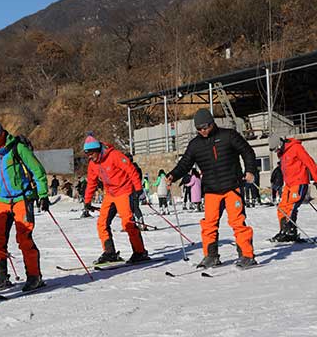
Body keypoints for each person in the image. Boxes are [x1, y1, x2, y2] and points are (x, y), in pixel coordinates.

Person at [166, 108, 257, 268]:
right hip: (211, 190)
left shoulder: (228, 135)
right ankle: (211, 255)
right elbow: (185, 163)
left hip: (232, 187)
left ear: (212, 123)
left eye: (205, 127)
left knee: (237, 222)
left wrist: (249, 170)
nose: (203, 131)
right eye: (199, 129)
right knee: (209, 224)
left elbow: (247, 151)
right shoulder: (195, 145)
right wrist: (173, 175)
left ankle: (247, 255)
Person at [0, 121, 49, 292]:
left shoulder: (18, 148)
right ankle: (0, 276)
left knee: (24, 239)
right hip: (2, 201)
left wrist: (42, 195)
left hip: (22, 199)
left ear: (3, 135)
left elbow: (38, 170)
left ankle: (34, 276)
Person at [83, 133, 149, 264]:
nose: (90, 157)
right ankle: (109, 252)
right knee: (102, 223)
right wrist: (87, 201)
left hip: (124, 191)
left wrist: (138, 188)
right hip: (110, 194)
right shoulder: (93, 164)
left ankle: (140, 252)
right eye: (87, 154)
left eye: (91, 153)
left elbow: (131, 170)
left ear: (97, 150)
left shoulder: (114, 156)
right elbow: (91, 182)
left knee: (127, 223)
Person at [268, 133, 317, 242]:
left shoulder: (296, 148)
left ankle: (290, 232)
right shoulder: (282, 154)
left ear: (280, 144)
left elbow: (309, 162)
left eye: (276, 149)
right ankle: (284, 231)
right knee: (282, 207)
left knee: (291, 206)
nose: (276, 152)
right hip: (289, 184)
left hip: (299, 182)